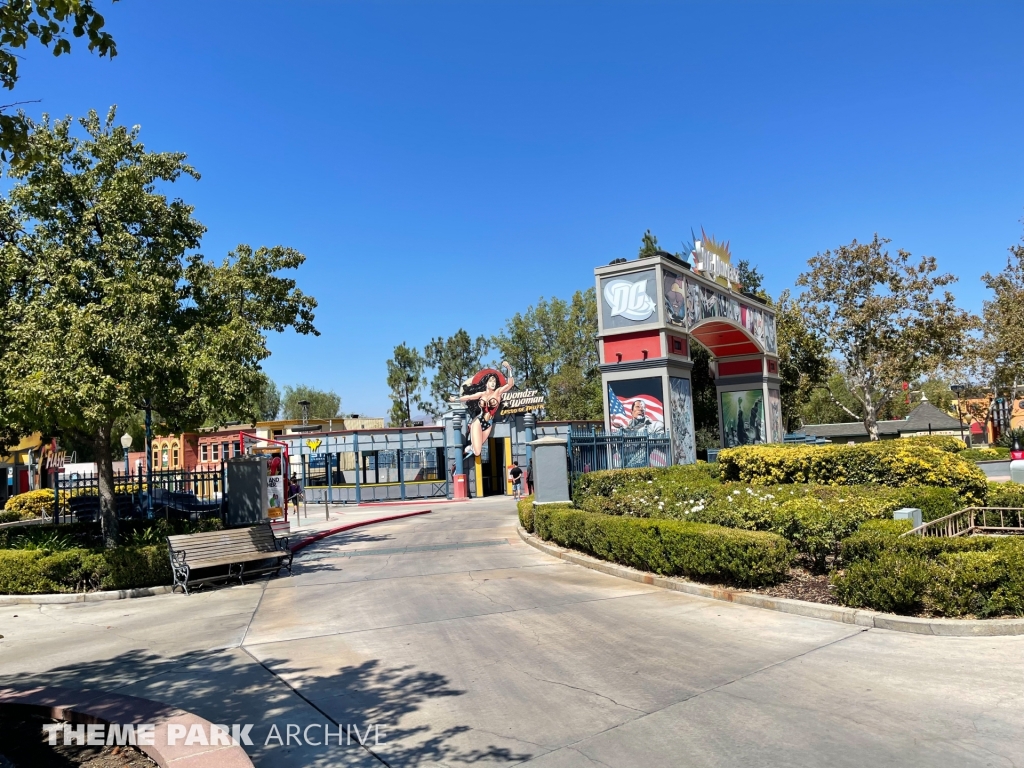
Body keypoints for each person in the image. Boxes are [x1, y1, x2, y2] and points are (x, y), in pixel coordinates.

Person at [450, 362, 516, 456]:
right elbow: (469, 397)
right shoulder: (482, 394)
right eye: (490, 381)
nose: (493, 383)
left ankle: (470, 447)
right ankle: (471, 445)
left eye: (494, 381)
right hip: (478, 420)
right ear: (486, 383)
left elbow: (510, 385)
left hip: (489, 423)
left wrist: (509, 369)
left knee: (477, 451)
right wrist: (455, 399)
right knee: (477, 451)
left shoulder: (497, 392)